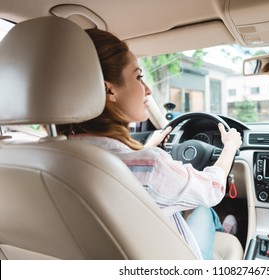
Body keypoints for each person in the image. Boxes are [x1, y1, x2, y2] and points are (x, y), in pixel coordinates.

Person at [58, 28, 242, 260]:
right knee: (204, 208)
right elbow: (213, 188)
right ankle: (224, 233)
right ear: (109, 90)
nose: (147, 89)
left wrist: (146, 150)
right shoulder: (151, 166)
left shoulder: (53, 158)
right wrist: (230, 146)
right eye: (138, 77)